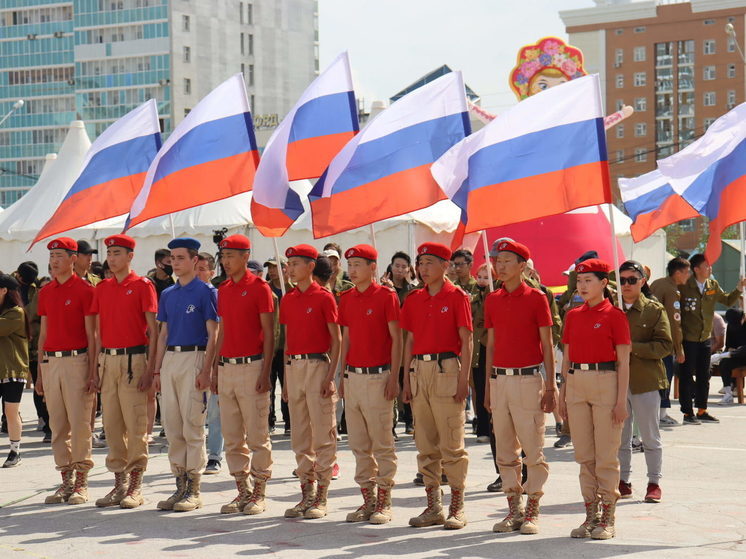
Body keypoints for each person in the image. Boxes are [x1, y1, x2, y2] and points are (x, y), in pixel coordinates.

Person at [484, 240, 557, 535]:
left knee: (533, 449)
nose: (499, 266)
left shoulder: (537, 298)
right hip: (499, 380)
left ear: (522, 266)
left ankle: (533, 508)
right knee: (504, 449)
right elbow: (490, 344)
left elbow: (548, 345)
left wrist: (551, 385)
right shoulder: (492, 299)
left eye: (505, 261)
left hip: (528, 380)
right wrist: (488, 384)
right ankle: (513, 509)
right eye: (496, 260)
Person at [401, 242, 473, 530]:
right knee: (426, 444)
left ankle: (457, 506)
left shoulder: (457, 297)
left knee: (452, 444)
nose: (423, 268)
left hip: (446, 370)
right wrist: (406, 378)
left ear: (446, 266)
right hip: (420, 370)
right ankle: (434, 506)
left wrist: (464, 379)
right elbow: (408, 341)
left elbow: (466, 340)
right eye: (421, 263)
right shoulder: (414, 298)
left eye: (430, 262)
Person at [558, 258, 631, 540]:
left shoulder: (615, 316)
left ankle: (608, 517)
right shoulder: (573, 315)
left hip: (606, 382)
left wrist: (621, 401)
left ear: (603, 283)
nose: (583, 286)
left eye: (589, 280)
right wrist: (563, 392)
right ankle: (590, 515)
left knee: (605, 456)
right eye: (579, 280)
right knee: (584, 456)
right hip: (577, 382)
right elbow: (566, 357)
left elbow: (624, 362)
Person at [90, 235, 158, 509]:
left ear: (130, 256)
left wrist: (151, 369)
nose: (112, 257)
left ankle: (135, 486)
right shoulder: (103, 287)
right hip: (108, 361)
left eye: (117, 252)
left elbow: (154, 331)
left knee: (135, 425)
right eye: (109, 252)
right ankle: (118, 484)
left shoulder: (143, 285)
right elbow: (96, 333)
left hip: (134, 360)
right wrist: (95, 367)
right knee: (112, 426)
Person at [153, 238, 218, 512]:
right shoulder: (168, 294)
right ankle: (179, 483)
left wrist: (207, 369)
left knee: (193, 424)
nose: (175, 263)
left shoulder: (206, 292)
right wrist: (157, 369)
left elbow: (214, 332)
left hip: (195, 356)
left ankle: (194, 487)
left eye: (180, 257)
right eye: (172, 258)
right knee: (172, 424)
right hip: (170, 359)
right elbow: (162, 334)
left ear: (195, 260)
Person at [338, 244, 401, 524]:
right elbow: (346, 339)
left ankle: (384, 501)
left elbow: (397, 339)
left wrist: (394, 378)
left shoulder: (387, 296)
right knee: (359, 443)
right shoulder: (347, 298)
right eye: (349, 265)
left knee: (382, 443)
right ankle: (368, 500)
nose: (351, 270)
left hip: (378, 376)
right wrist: (341, 376)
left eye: (357, 265)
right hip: (353, 376)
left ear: (373, 267)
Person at [213, 235, 274, 515]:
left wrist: (265, 371)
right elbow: (222, 331)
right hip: (227, 367)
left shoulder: (260, 288)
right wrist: (214, 367)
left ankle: (259, 492)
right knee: (233, 435)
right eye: (223, 257)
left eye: (231, 257)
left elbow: (270, 334)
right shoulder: (223, 289)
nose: (225, 262)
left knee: (257, 436)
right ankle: (242, 491)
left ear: (245, 257)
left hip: (252, 367)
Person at [280, 244, 341, 520]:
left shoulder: (325, 297)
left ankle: (322, 496)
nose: (290, 269)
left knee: (322, 435)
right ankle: (306, 494)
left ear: (310, 267)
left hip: (318, 365)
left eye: (296, 264)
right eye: (289, 264)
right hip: (295, 367)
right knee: (300, 436)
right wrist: (286, 380)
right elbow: (287, 341)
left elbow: (337, 340)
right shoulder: (288, 299)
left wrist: (330, 377)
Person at [36, 238, 97, 505]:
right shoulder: (46, 291)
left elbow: (92, 335)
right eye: (52, 256)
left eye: (60, 255)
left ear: (74, 258)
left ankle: (81, 482)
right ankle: (66, 481)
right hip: (51, 362)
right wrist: (39, 370)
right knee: (57, 425)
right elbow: (43, 333)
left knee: (80, 423)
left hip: (77, 361)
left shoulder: (85, 290)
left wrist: (93, 370)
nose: (54, 260)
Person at [617, 260, 672, 505]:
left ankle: (654, 483)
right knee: (620, 437)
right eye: (621, 280)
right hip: (616, 381)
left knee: (650, 436)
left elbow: (665, 345)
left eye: (632, 279)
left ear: (642, 281)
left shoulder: (654, 309)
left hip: (645, 380)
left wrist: (632, 348)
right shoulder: (611, 309)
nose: (626, 284)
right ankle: (623, 481)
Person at [678, 254, 744, 424]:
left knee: (703, 375)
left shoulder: (712, 285)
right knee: (686, 375)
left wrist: (739, 288)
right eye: (706, 266)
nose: (710, 269)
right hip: (688, 338)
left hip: (705, 338)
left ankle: (702, 410)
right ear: (696, 269)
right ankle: (687, 413)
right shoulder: (685, 285)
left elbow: (728, 301)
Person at [649, 257, 691, 426]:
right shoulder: (673, 291)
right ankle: (662, 414)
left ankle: (655, 413)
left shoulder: (657, 283)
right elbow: (674, 322)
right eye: (687, 272)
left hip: (649, 338)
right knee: (665, 377)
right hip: (664, 341)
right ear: (678, 272)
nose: (688, 276)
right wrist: (679, 348)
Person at [381, 251, 416, 435]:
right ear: (391, 266)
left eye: (404, 266)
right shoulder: (383, 289)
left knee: (407, 379)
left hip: (407, 342)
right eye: (397, 265)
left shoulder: (412, 290)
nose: (400, 269)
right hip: (391, 343)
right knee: (391, 382)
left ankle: (410, 421)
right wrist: (390, 292)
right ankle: (392, 424)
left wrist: (398, 292)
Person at [197, 252, 223, 475]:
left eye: (202, 269)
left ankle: (215, 454)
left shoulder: (215, 296)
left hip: (213, 357)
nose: (198, 273)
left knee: (214, 411)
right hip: (190, 358)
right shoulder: (182, 294)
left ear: (212, 273)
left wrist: (213, 367)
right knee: (194, 411)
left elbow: (218, 334)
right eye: (196, 268)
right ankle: (195, 454)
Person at [0, 274, 30, 468]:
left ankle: (15, 451)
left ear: (3, 290)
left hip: (12, 369)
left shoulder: (16, 312)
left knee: (11, 411)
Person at [265, 256, 292, 435]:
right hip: (269, 346)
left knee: (287, 385)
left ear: (285, 269)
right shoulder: (265, 289)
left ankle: (289, 422)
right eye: (270, 268)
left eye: (275, 267)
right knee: (268, 386)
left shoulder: (292, 290)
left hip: (287, 345)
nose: (272, 271)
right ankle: (269, 421)